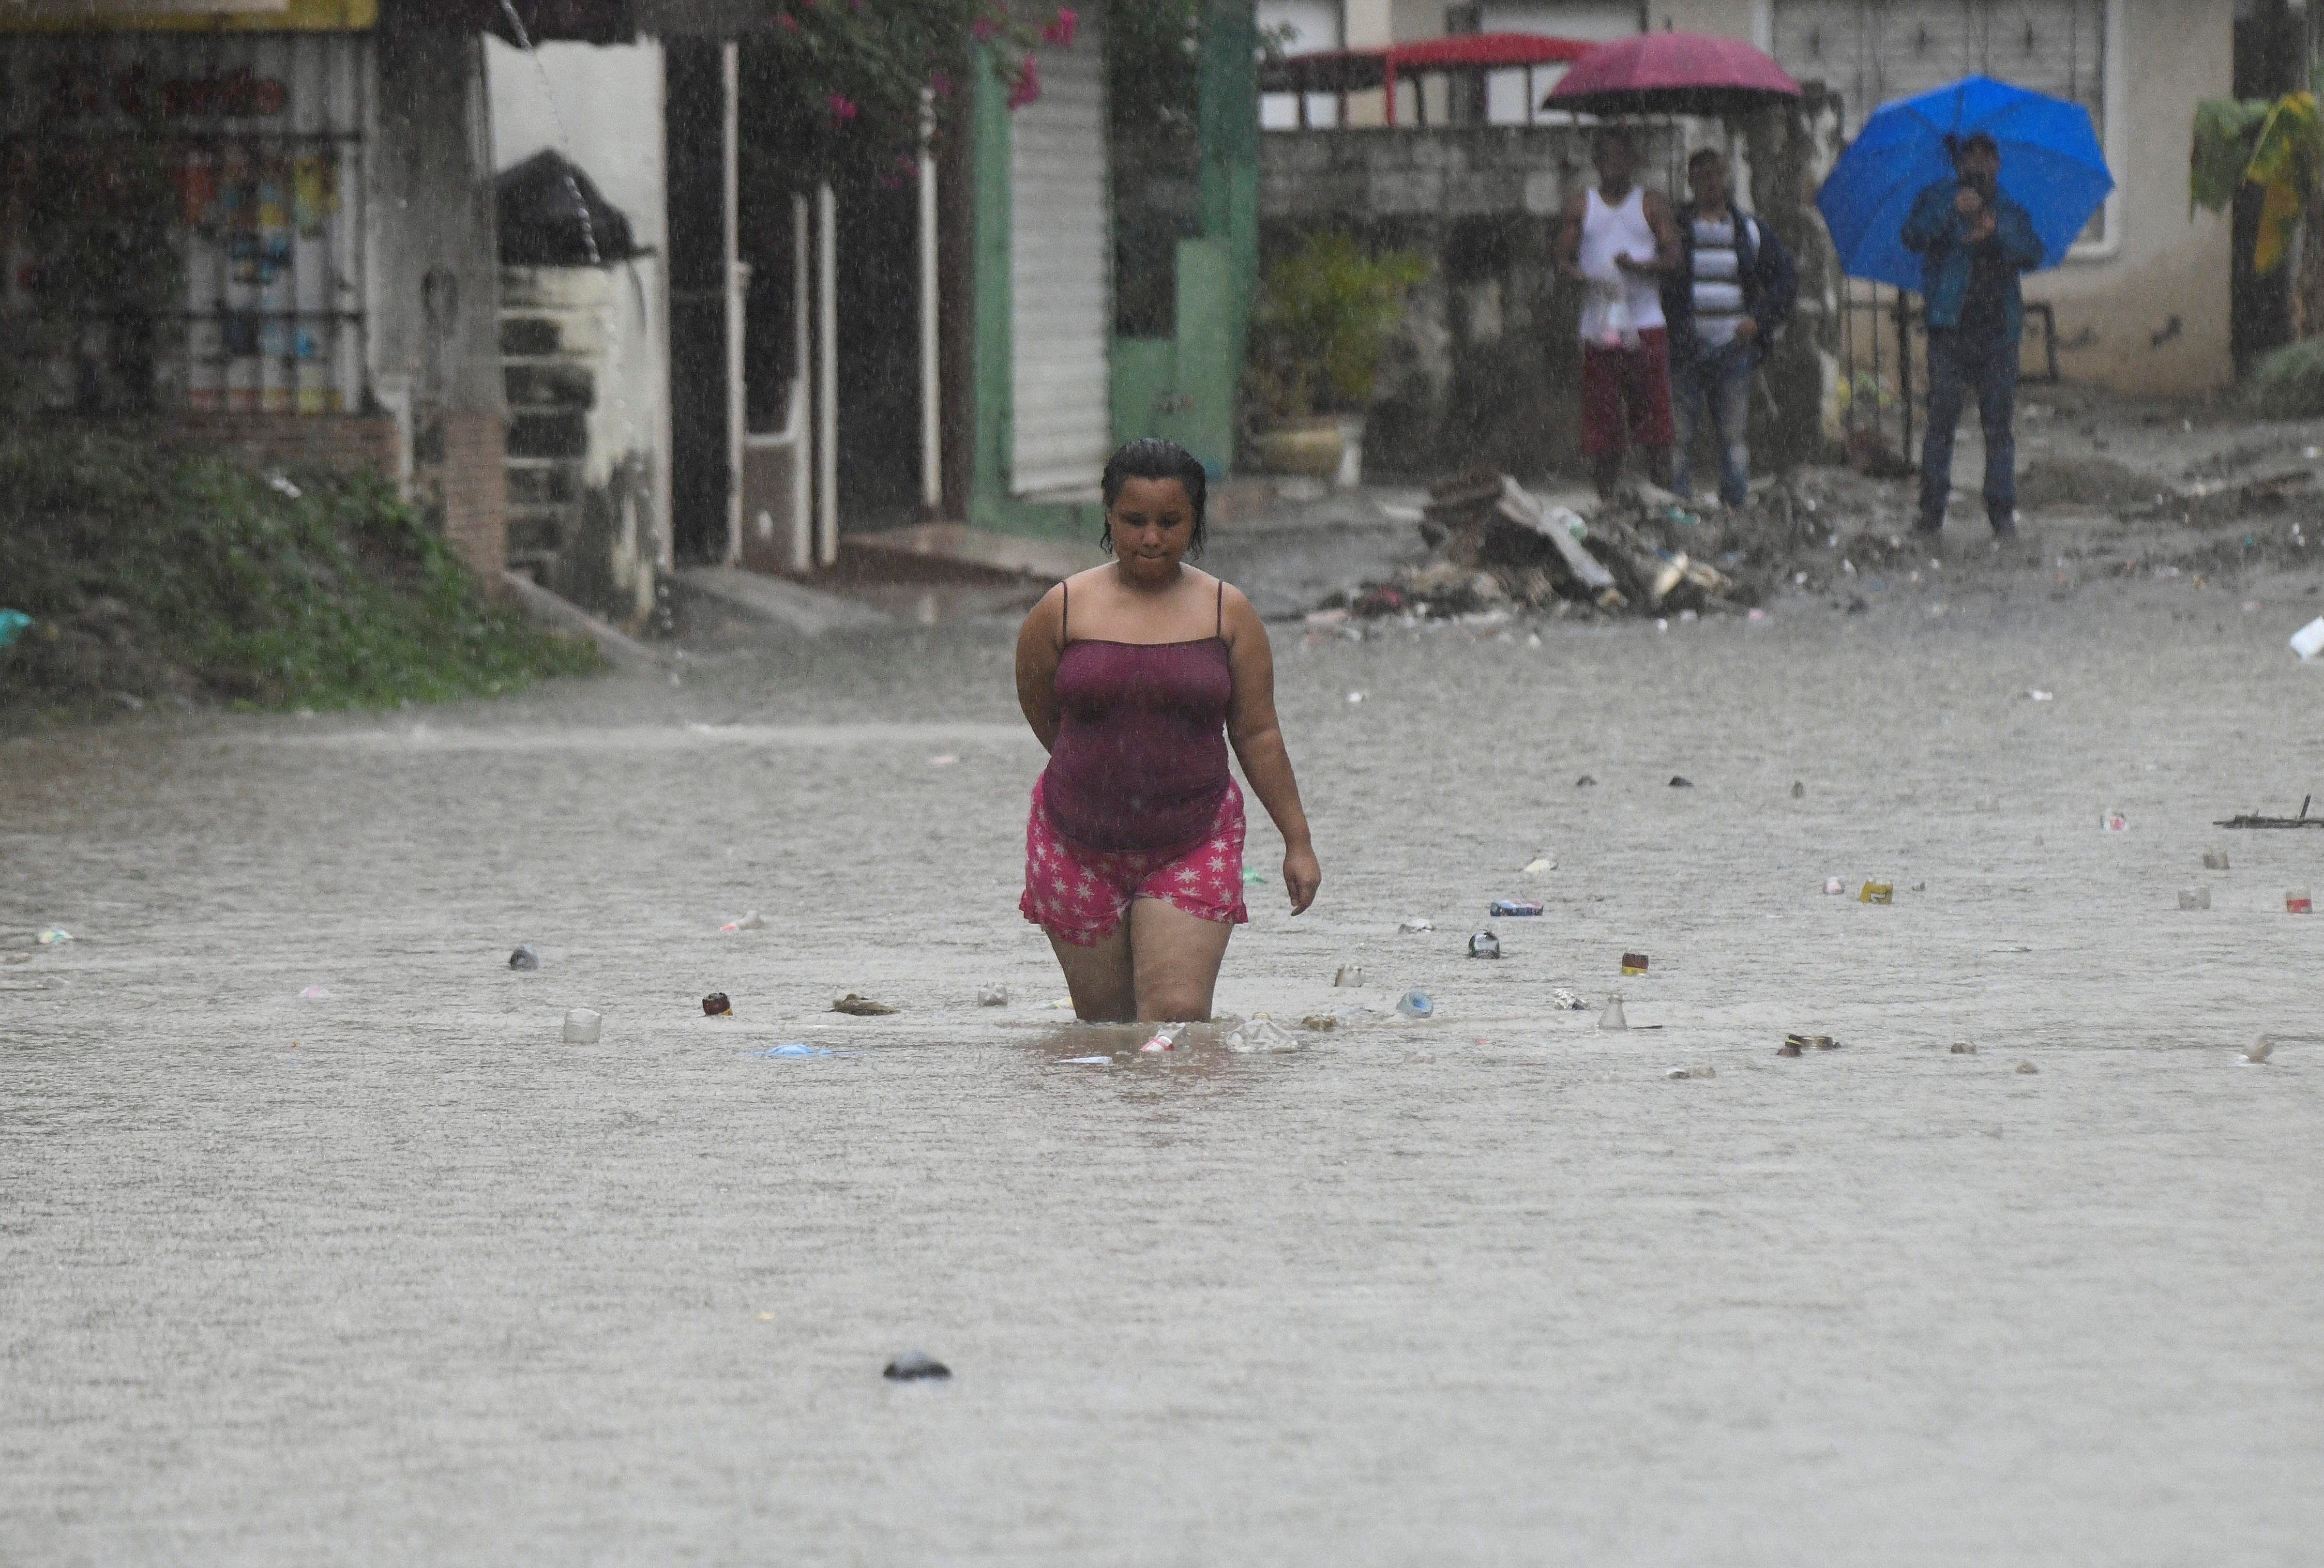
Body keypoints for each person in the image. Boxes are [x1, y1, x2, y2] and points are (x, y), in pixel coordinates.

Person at [1013, 438, 1321, 1024]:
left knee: (1174, 1020)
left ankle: (1180, 1123)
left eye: (1169, 522)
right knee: (1105, 1029)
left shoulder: (1227, 613)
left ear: (1195, 522)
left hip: (1194, 840)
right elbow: (1041, 706)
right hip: (1075, 844)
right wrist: (1103, 764)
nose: (1151, 538)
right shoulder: (1062, 609)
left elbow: (1257, 734)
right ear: (1108, 516)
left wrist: (1297, 840)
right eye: (1134, 522)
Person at [1900, 131, 2043, 538]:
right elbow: (1912, 236)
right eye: (1971, 157)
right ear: (1959, 163)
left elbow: (2032, 252)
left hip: (1999, 331)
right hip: (1950, 328)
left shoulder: (2010, 209)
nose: (1979, 164)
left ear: (1998, 164)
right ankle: (1932, 512)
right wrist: (1951, 212)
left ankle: (2001, 512)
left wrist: (1994, 229)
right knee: (1941, 422)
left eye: (1987, 157)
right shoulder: (1937, 198)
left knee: (1998, 427)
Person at [1661, 147, 1795, 510]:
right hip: (1686, 349)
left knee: (1734, 437)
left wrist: (1760, 319)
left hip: (1733, 350)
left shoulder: (1749, 230)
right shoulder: (1674, 231)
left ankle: (1735, 508)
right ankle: (1677, 508)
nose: (1711, 182)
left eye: (1718, 173)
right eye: (1702, 175)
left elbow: (1785, 279)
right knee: (1679, 437)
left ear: (1728, 178)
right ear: (1690, 181)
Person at [1557, 126, 1681, 497]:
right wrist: (1582, 276)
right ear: (1596, 162)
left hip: (1644, 325)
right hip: (1599, 328)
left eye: (1622, 156)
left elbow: (1675, 258)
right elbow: (1560, 260)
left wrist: (1640, 268)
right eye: (1608, 157)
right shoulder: (1582, 205)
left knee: (1655, 422)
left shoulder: (1651, 204)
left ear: (1633, 161)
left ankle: (1662, 495)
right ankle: (1607, 499)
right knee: (1602, 423)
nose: (1615, 165)